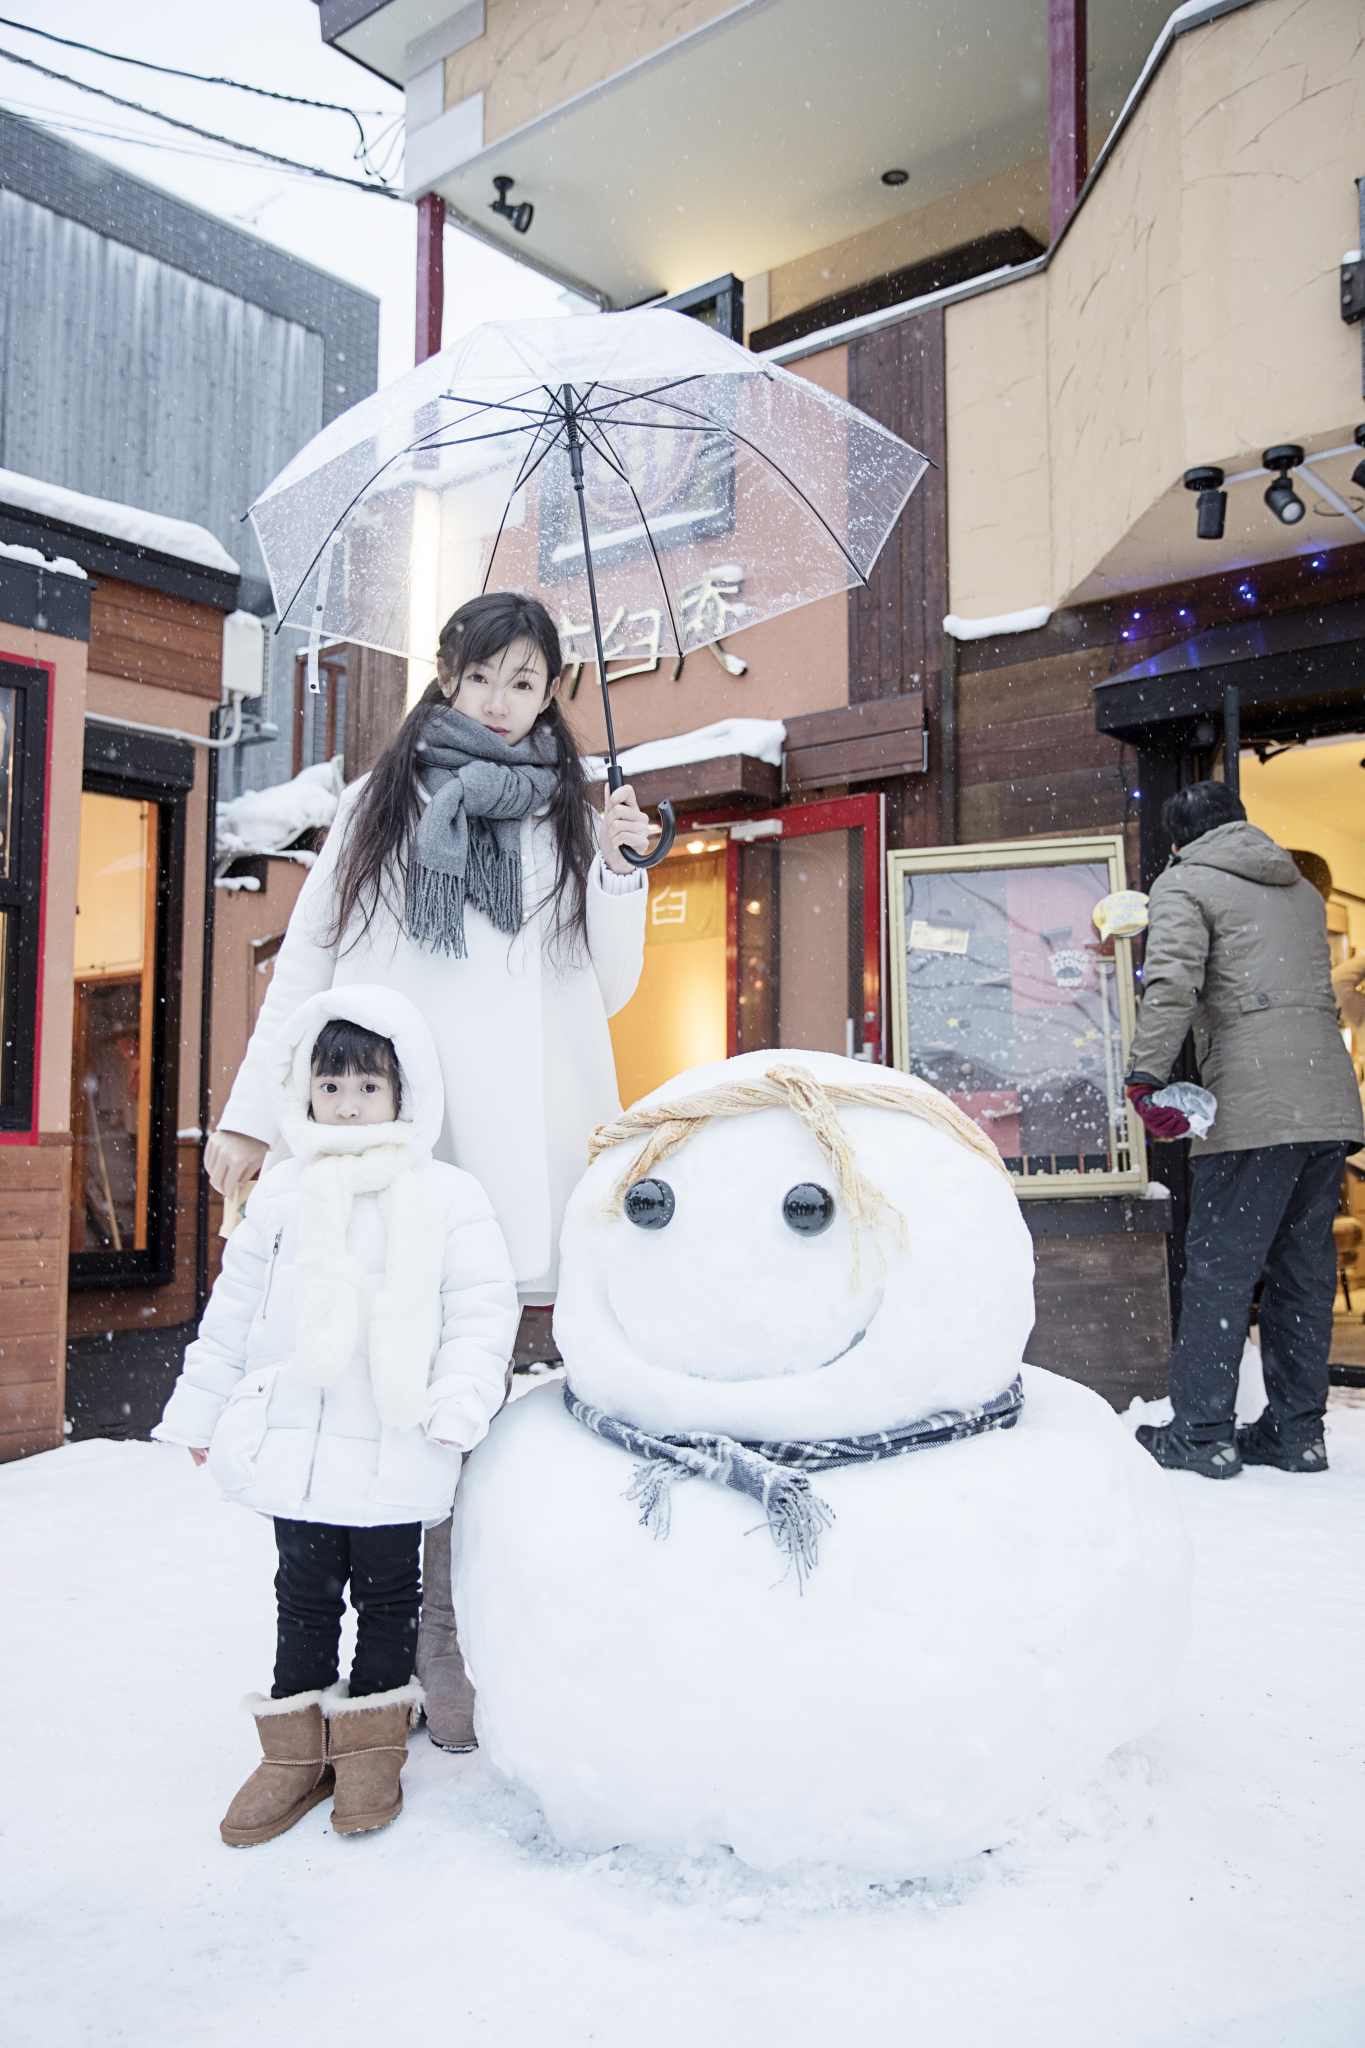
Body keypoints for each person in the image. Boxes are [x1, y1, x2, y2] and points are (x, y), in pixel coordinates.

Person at [202, 592, 649, 1748]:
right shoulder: (380, 800)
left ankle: (448, 1633)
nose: (505, 704)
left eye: (528, 682)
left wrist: (619, 868)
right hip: (392, 1141)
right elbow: (309, 961)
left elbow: (604, 987)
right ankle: (348, 1658)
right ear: (445, 676)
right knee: (361, 1381)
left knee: (473, 1396)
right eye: (484, 677)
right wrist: (254, 1115)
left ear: (555, 690)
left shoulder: (572, 812)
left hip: (520, 1146)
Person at [154, 988, 519, 1845]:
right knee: (304, 1595)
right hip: (301, 1442)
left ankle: (369, 1746)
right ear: (304, 1094)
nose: (347, 1107)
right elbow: (232, 1313)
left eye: (367, 1089)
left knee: (389, 1595)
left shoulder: (448, 1196)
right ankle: (293, 1753)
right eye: (330, 1088)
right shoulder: (284, 1195)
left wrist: (458, 1404)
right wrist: (203, 1412)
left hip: (399, 1440)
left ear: (403, 1095)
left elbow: (478, 1312)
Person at [1124, 782, 1363, 1479]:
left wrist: (1145, 1075)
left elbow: (1170, 983)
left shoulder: (1183, 882)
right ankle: (1296, 1433)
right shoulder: (1299, 889)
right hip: (1325, 1105)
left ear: (1176, 839)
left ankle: (1201, 1433)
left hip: (1254, 1105)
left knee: (1221, 1272)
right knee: (1301, 1274)